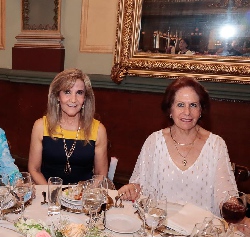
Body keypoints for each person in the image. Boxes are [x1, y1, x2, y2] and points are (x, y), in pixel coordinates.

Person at [118, 77, 238, 217]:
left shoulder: (216, 145)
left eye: (193, 105)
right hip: (159, 227)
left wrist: (237, 213)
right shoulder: (154, 142)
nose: (187, 112)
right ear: (170, 109)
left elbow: (225, 194)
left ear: (201, 110)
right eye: (180, 105)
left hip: (201, 232)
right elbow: (140, 186)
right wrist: (131, 189)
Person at [28, 68, 108, 185]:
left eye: (79, 93)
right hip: (47, 194)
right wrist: (51, 193)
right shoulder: (41, 126)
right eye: (67, 92)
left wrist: (82, 195)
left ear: (85, 98)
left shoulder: (98, 130)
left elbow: (100, 174)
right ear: (57, 96)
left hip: (83, 198)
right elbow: (34, 170)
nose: (73, 99)